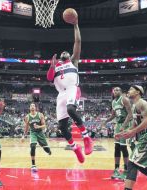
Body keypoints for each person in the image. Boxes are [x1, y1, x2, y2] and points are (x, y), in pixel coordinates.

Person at [46, 18, 93, 163]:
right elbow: (49, 78)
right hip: (61, 94)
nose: (66, 52)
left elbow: (77, 42)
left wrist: (76, 25)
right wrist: (52, 66)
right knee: (62, 127)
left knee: (71, 110)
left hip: (72, 89)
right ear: (61, 57)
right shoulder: (56, 65)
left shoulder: (73, 61)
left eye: (68, 52)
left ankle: (86, 137)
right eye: (63, 52)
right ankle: (75, 148)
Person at [104, 87, 132, 180]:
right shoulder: (113, 102)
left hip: (125, 124)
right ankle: (116, 169)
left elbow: (130, 114)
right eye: (114, 90)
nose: (116, 91)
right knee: (117, 147)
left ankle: (126, 170)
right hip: (118, 125)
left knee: (123, 147)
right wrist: (106, 121)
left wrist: (124, 126)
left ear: (121, 92)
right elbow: (113, 115)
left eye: (118, 90)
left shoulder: (124, 99)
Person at [21, 103, 51, 172]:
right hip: (33, 133)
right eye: (31, 106)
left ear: (35, 107)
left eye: (33, 106)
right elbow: (26, 128)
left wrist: (39, 126)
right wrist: (23, 136)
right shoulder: (27, 117)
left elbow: (44, 125)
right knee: (33, 146)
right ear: (29, 108)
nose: (32, 107)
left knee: (47, 149)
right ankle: (33, 165)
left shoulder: (40, 115)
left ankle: (48, 150)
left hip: (40, 133)